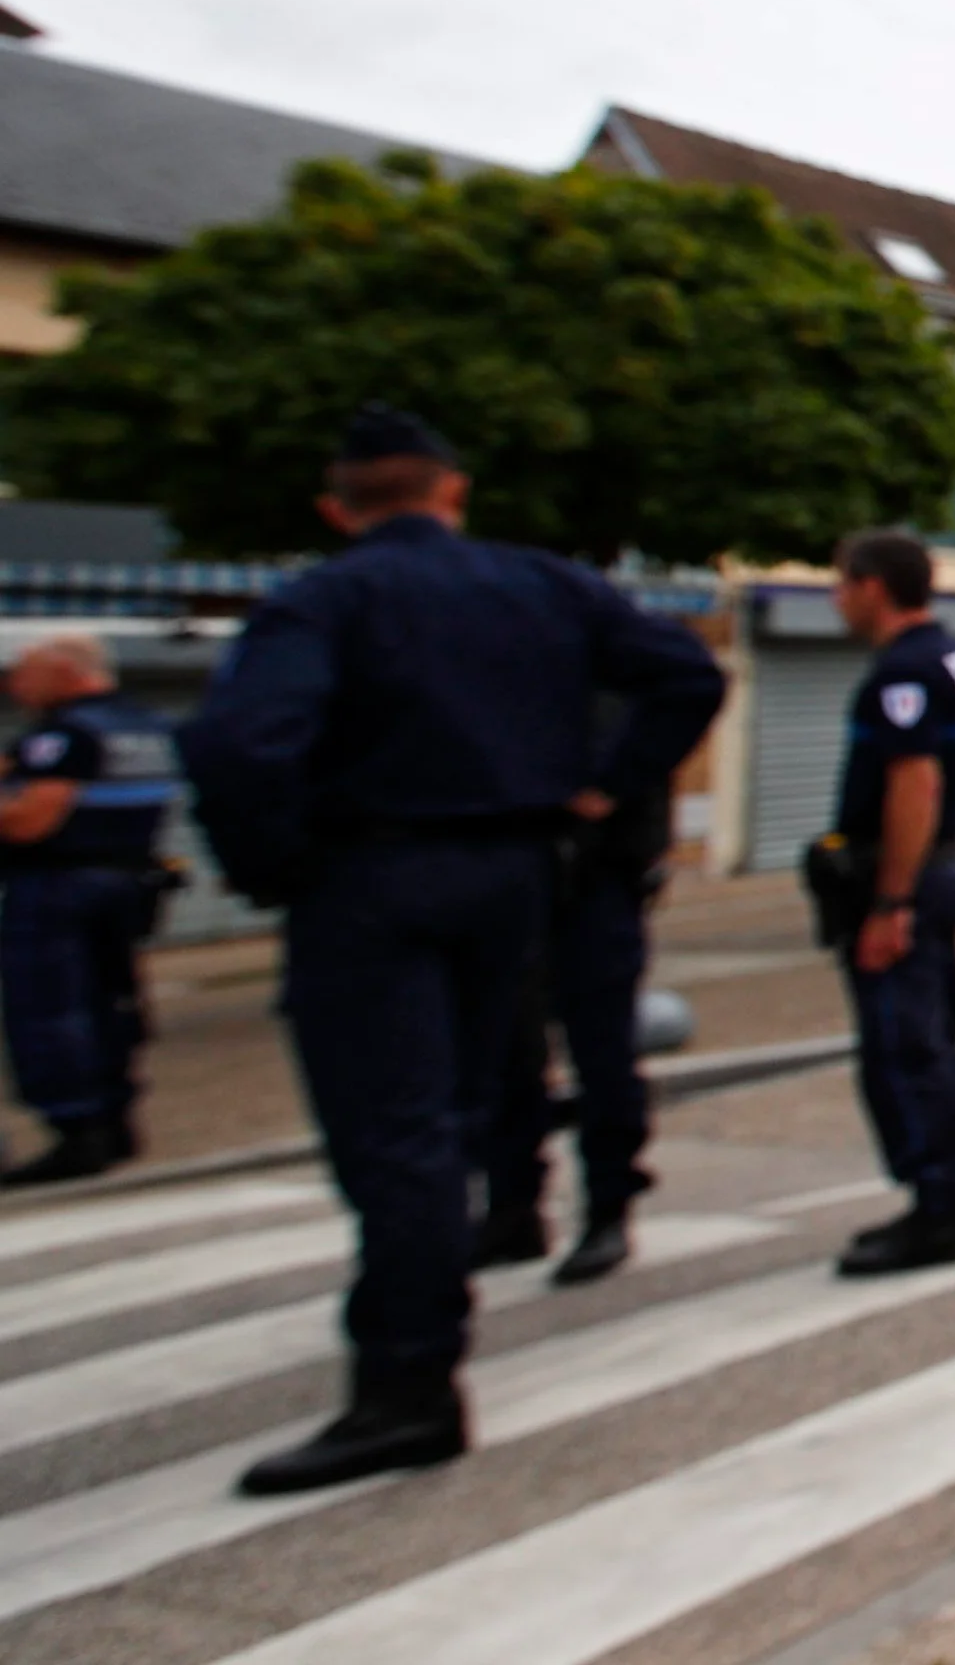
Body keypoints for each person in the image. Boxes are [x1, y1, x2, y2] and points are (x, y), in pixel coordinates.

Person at [179, 406, 723, 1497]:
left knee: (398, 1134)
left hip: (376, 879)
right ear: (452, 491)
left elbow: (237, 744)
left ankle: (407, 1387)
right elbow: (688, 675)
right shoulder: (541, 585)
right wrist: (605, 783)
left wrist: (276, 867)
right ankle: (459, 1280)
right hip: (516, 876)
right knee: (460, 1107)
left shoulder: (326, 598)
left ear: (338, 506)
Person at [819, 527, 955, 1278]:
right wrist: (946, 836)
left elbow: (914, 783)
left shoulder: (902, 672)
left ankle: (940, 1209)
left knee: (907, 1048)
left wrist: (893, 896)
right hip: (940, 871)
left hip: (901, 886)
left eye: (840, 584)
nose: (836, 600)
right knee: (935, 1042)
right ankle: (945, 1198)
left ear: (872, 586)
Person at [476, 695, 685, 1287]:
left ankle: (607, 1211)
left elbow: (655, 741)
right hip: (516, 891)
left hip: (595, 887)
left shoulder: (607, 679)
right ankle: (512, 1207)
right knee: (506, 1055)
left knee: (603, 1059)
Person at [0, 634, 178, 1186]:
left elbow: (31, 821)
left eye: (24, 672)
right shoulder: (142, 725)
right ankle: (115, 1120)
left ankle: (78, 1128)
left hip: (58, 888)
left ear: (65, 671)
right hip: (130, 881)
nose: (15, 685)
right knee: (112, 1003)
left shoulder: (63, 735)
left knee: (51, 1008)